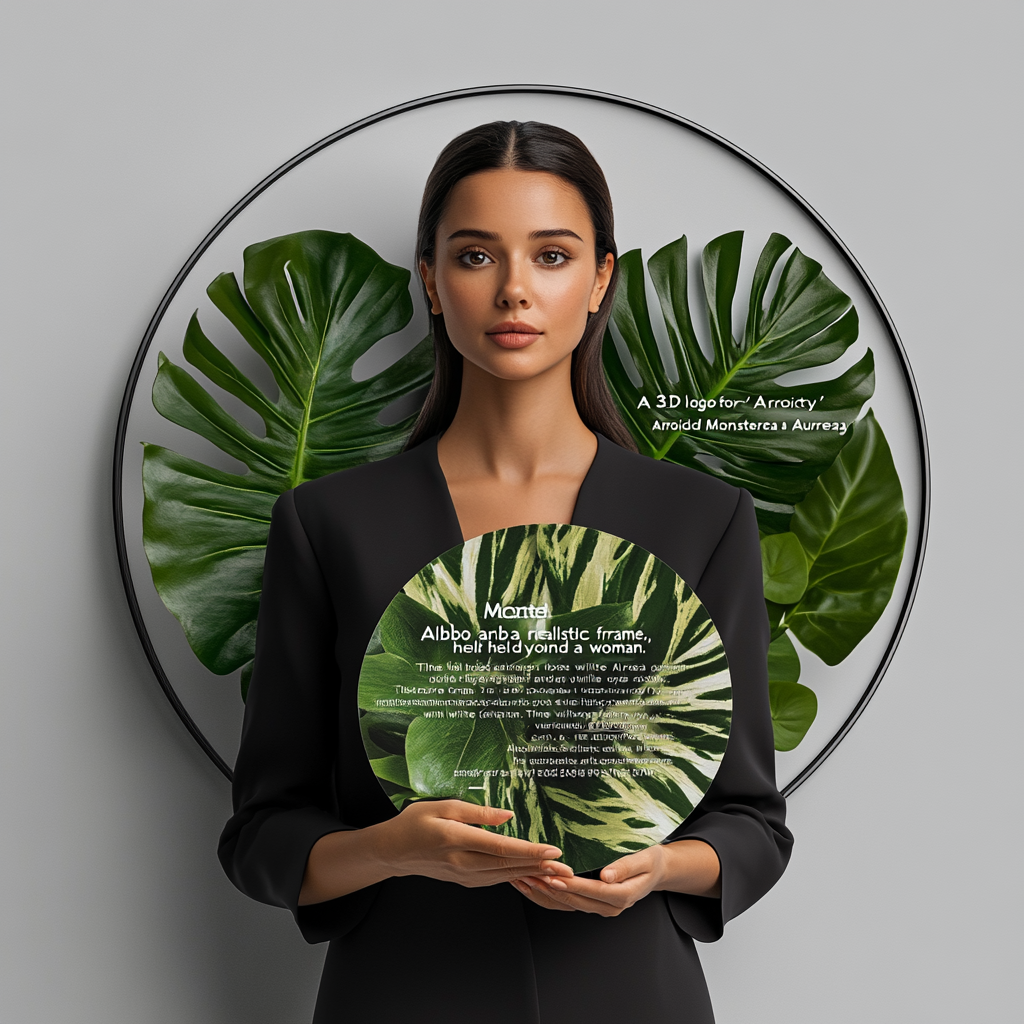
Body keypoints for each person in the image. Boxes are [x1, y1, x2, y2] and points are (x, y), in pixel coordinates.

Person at [219, 120, 792, 1024]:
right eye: (477, 255)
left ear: (601, 278)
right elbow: (263, 835)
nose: (515, 289)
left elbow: (751, 821)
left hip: (627, 991)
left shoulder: (699, 519)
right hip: (404, 991)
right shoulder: (330, 524)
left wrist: (660, 868)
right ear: (432, 283)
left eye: (553, 255)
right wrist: (394, 850)